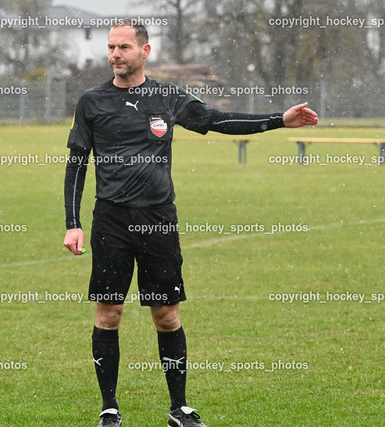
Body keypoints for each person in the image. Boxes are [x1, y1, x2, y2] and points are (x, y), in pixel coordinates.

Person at [63, 20, 318, 427]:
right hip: (110, 222)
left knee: (166, 314)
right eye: (111, 47)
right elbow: (76, 163)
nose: (115, 54)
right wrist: (72, 222)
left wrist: (278, 120)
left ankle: (178, 409)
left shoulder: (167, 96)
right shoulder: (91, 101)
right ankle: (109, 410)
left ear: (145, 52)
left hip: (159, 220)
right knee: (108, 312)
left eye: (124, 47)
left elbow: (217, 119)